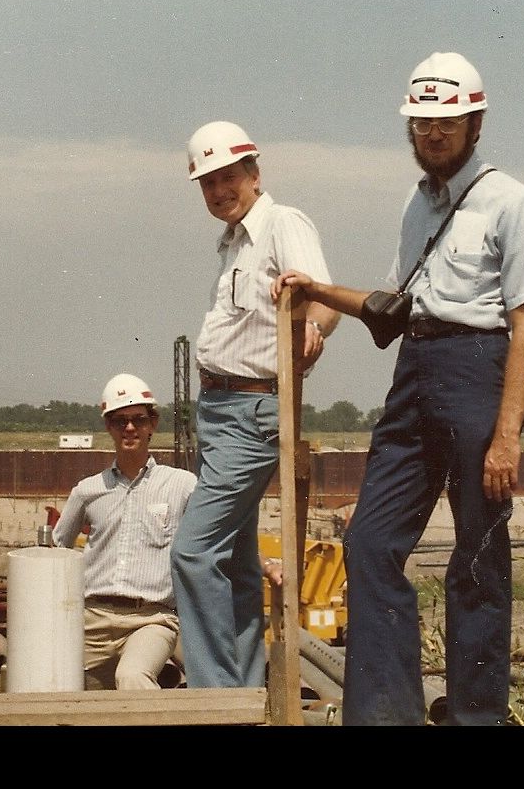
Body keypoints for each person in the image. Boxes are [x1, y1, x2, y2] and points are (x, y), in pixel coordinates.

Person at [274, 52, 524, 725]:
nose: (432, 133)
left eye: (446, 122)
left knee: (477, 557)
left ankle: (475, 716)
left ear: (475, 123)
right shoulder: (414, 204)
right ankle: (386, 712)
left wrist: (507, 435)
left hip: (477, 371)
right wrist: (314, 299)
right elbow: (391, 304)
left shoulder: (511, 201)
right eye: (422, 121)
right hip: (414, 376)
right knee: (369, 543)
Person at [170, 120, 342, 689]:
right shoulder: (233, 242)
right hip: (219, 414)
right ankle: (243, 689)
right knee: (239, 566)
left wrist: (313, 328)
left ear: (254, 173)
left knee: (193, 553)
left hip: (252, 414)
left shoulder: (280, 224)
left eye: (227, 178)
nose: (219, 191)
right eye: (207, 184)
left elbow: (322, 297)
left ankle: (213, 698)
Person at [52, 373, 197, 690]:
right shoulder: (88, 491)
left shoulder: (182, 486)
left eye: (138, 420)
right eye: (120, 421)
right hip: (93, 620)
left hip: (151, 618)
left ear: (152, 423)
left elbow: (213, 538)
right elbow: (55, 552)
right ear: (108, 426)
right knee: (52, 681)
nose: (130, 428)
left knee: (132, 678)